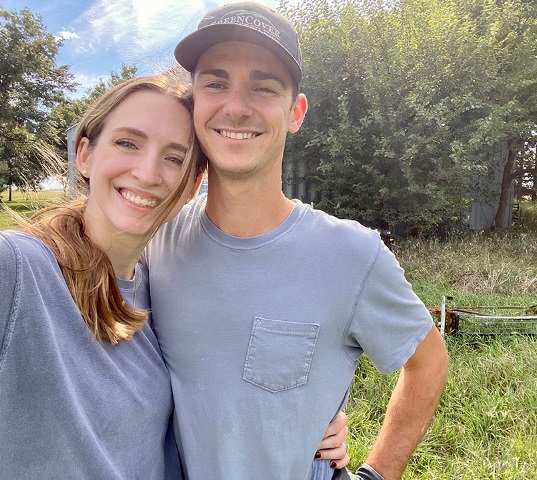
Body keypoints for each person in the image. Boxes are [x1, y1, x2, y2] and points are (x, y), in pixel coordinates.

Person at [0, 73, 348, 478]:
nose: (148, 174)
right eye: (127, 143)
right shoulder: (7, 271)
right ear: (84, 154)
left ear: (191, 185)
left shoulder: (164, 287)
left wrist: (303, 418)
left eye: (173, 158)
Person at [144, 2, 449, 480]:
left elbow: (427, 362)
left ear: (296, 112)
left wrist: (377, 473)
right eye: (215, 83)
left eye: (264, 87)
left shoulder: (352, 255)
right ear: (195, 101)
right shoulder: (154, 244)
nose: (236, 106)